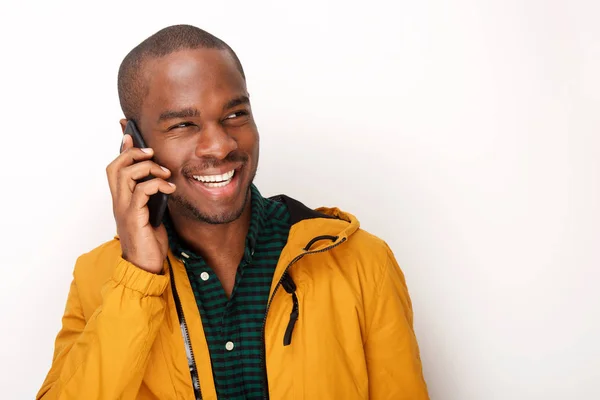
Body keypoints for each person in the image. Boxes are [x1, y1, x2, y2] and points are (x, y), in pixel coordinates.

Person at [36, 24, 429, 400]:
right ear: (133, 141)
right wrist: (138, 277)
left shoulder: (361, 262)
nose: (220, 146)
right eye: (184, 124)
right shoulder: (98, 279)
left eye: (235, 115)